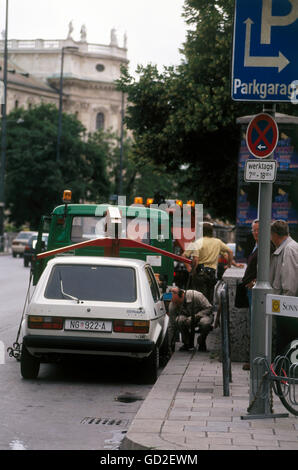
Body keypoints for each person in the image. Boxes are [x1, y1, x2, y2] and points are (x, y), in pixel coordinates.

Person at [182, 222, 234, 303]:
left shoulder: (197, 242)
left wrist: (190, 269)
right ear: (212, 231)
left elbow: (190, 258)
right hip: (212, 274)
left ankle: (199, 314)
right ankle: (208, 314)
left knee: (199, 298)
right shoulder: (217, 242)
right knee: (209, 298)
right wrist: (229, 265)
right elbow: (230, 252)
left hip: (200, 274)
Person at [270, 220, 298, 354]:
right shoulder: (288, 248)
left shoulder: (289, 250)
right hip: (286, 306)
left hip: (287, 308)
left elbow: (290, 283)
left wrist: (284, 309)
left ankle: (282, 372)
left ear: (275, 235)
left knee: (285, 345)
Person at [169, 287, 213, 352]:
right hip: (187, 319)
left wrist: (196, 316)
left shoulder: (196, 296)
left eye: (178, 302)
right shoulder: (173, 304)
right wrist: (170, 344)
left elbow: (209, 308)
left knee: (205, 323)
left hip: (202, 316)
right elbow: (172, 325)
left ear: (182, 296)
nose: (176, 304)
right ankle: (187, 343)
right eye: (175, 303)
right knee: (179, 320)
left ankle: (201, 341)